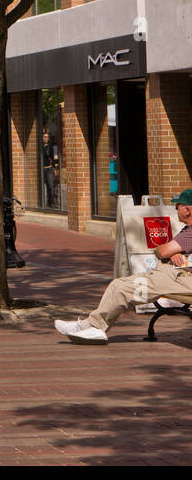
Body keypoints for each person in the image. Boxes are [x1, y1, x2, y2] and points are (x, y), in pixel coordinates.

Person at [56, 188, 192, 344]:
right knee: (119, 286)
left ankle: (95, 329)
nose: (175, 209)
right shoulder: (188, 230)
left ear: (187, 209)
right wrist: (172, 252)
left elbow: (163, 250)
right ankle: (86, 326)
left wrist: (167, 251)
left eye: (178, 206)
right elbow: (166, 251)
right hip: (175, 276)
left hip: (180, 279)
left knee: (120, 288)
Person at [41, 131, 60, 207]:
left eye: (47, 137)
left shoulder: (51, 146)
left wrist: (55, 168)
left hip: (49, 169)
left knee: (50, 186)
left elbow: (54, 158)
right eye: (44, 137)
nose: (45, 138)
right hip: (41, 169)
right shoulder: (39, 146)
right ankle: (43, 204)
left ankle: (51, 203)